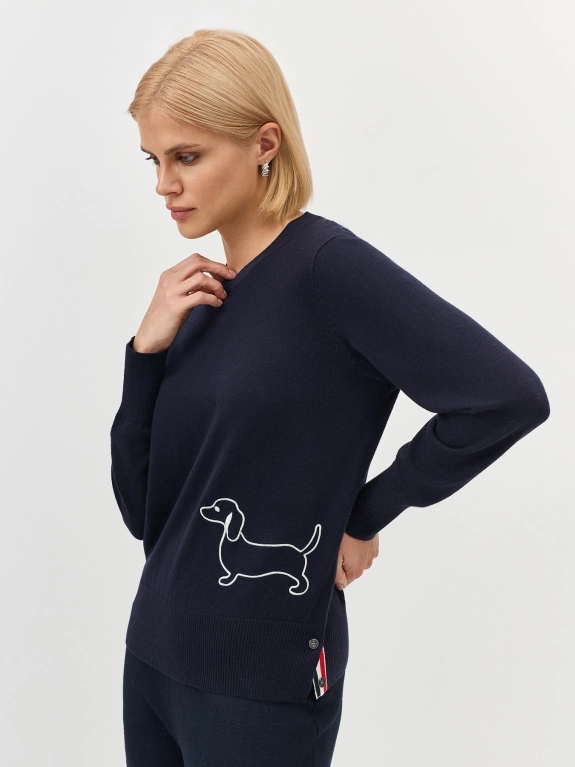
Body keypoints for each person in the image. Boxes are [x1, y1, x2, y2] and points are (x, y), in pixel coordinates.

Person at [110, 28, 550, 767]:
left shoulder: (328, 270)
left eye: (186, 156)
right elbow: (142, 513)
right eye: (154, 160)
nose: (164, 185)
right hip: (152, 662)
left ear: (264, 143)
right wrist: (144, 355)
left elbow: (505, 397)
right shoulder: (198, 301)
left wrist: (366, 511)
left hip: (260, 687)